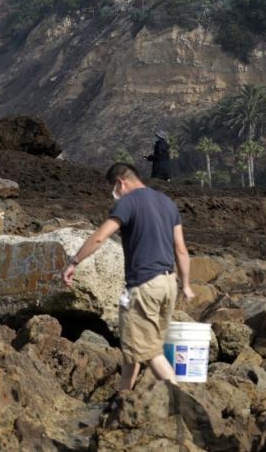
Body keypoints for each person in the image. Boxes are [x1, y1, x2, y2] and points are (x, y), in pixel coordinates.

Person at [63, 163, 194, 391]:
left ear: (120, 183)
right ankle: (124, 395)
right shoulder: (167, 203)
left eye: (113, 189)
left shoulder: (128, 202)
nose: (114, 195)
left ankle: (180, 400)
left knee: (151, 352)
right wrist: (187, 285)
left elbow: (100, 237)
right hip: (168, 284)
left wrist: (74, 261)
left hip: (144, 285)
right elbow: (181, 249)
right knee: (134, 345)